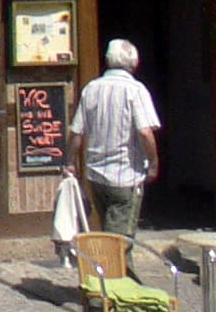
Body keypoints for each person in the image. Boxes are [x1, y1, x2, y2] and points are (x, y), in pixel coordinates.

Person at [69, 38, 161, 238]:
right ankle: (114, 270)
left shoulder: (91, 88)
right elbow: (145, 132)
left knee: (108, 232)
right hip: (126, 176)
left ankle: (114, 268)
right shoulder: (136, 90)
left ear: (108, 60)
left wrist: (70, 162)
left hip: (96, 174)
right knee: (120, 240)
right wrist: (153, 163)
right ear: (134, 64)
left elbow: (76, 132)